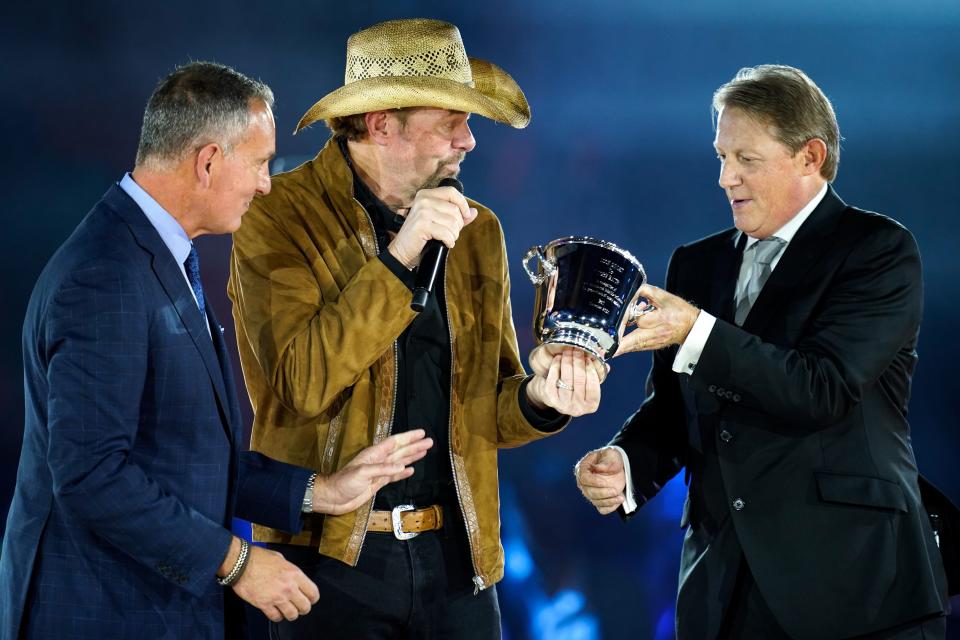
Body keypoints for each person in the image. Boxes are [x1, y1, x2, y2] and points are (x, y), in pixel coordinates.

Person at [0, 61, 433, 640]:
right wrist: (237, 561)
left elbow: (184, 452)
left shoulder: (152, 254)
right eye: (257, 163)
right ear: (207, 161)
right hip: (102, 611)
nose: (266, 183)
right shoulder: (106, 274)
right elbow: (92, 475)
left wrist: (317, 492)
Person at [227, 18, 602, 639]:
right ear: (381, 124)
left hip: (459, 563)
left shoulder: (478, 229)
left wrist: (540, 398)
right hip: (329, 562)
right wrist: (401, 256)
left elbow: (489, 411)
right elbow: (300, 383)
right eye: (452, 121)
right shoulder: (277, 215)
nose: (469, 141)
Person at [574, 64, 950, 639]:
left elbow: (821, 389)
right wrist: (627, 463)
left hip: (855, 586)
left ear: (810, 156)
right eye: (722, 157)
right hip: (723, 588)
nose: (726, 178)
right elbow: (676, 408)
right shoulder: (695, 264)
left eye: (746, 159)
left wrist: (698, 331)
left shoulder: (877, 250)